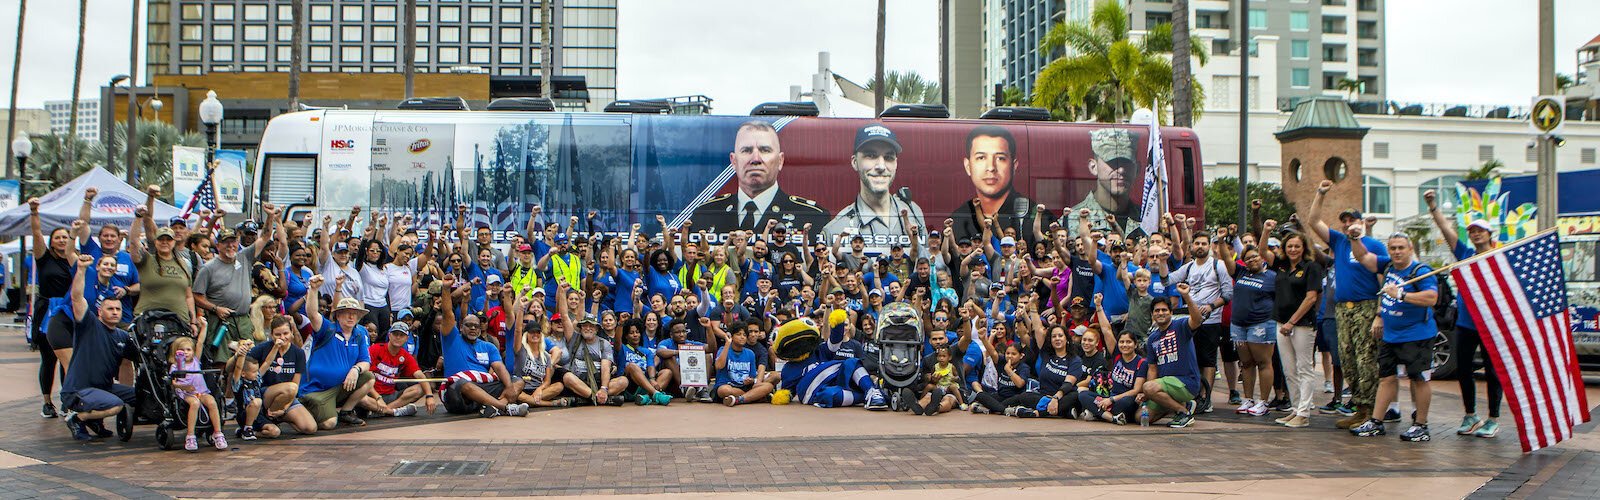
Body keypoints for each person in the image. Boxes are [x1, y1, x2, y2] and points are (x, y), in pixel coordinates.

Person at [1307, 179, 1390, 429]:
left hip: (1366, 307)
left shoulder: (1374, 245)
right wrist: (1320, 193)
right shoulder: (1339, 242)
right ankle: (1359, 407)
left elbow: (1383, 280)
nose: (1346, 224)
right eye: (1343, 220)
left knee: (1366, 360)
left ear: (1361, 222)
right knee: (1347, 359)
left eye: (1351, 220)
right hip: (1343, 310)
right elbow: (1313, 221)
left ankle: (1372, 412)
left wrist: (1379, 313)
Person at [1424, 189, 1503, 438]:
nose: (1476, 234)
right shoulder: (1466, 255)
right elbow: (1447, 232)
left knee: (1493, 371)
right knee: (1464, 369)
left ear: (1490, 234)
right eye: (1472, 231)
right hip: (1467, 323)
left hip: (1491, 324)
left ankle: (1493, 418)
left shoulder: (1500, 256)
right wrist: (1433, 206)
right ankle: (1471, 415)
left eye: (1480, 230)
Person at [1349, 234, 1438, 442]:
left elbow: (1432, 298)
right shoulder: (1388, 266)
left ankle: (1421, 425)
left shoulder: (1421, 271)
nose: (1396, 252)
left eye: (1400, 248)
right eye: (1392, 248)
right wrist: (1353, 238)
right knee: (1386, 378)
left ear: (1410, 248)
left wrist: (1402, 295)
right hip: (1391, 335)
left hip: (1417, 335)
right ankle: (1376, 422)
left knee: (1419, 378)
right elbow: (1363, 256)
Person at [693, 120, 829, 240]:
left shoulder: (812, 216)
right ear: (734, 161)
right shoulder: (705, 213)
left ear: (780, 161)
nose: (756, 159)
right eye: (746, 150)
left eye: (765, 150)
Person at [59, 254, 138, 441]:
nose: (115, 312)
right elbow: (77, 298)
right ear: (100, 311)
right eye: (110, 309)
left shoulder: (122, 335)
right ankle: (77, 418)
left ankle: (95, 420)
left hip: (103, 388)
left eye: (118, 309)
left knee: (141, 395)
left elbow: (138, 357)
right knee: (116, 405)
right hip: (78, 390)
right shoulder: (89, 324)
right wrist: (81, 270)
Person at [822, 123, 927, 252]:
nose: (881, 166)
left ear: (896, 164)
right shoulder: (836, 229)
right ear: (855, 162)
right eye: (871, 156)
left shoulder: (914, 213)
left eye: (888, 157)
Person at [194, 204, 279, 362]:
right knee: (222, 361)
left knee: (248, 360)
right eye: (226, 242)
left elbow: (266, 236)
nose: (230, 245)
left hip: (244, 320)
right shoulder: (208, 268)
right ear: (218, 245)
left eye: (233, 241)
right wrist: (215, 308)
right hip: (220, 322)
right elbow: (196, 296)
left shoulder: (244, 256)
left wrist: (270, 216)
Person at [436, 275, 530, 418]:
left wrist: (510, 387)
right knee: (464, 383)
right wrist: (446, 288)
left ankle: (492, 408)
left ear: (480, 329)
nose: (473, 328)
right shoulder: (452, 339)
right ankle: (504, 407)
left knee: (517, 381)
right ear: (461, 327)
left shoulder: (489, 346)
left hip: (483, 389)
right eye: (469, 325)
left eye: (476, 326)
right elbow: (448, 313)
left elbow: (499, 367)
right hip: (458, 395)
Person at [1163, 230, 1234, 413]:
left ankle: (1206, 397)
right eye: (1197, 244)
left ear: (1210, 246)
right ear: (1192, 246)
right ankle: (1195, 394)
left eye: (1204, 243)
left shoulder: (1218, 266)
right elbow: (1167, 280)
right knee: (1192, 358)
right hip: (1190, 319)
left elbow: (1227, 294)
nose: (1200, 247)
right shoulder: (1188, 267)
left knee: (1208, 360)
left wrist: (1211, 306)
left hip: (1211, 321)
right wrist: (1163, 261)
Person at [298, 279, 377, 430]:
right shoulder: (328, 328)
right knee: (329, 424)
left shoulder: (360, 333)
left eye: (355, 314)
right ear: (338, 315)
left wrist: (356, 370)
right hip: (316, 390)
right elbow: (312, 314)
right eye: (347, 313)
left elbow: (365, 361)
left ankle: (346, 411)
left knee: (368, 377)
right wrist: (313, 290)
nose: (351, 317)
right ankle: (306, 410)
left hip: (339, 387)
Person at [949, 125, 1042, 249]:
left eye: (1000, 158)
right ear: (968, 165)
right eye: (981, 157)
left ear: (1014, 165)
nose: (991, 167)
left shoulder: (1032, 213)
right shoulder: (957, 219)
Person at [28, 198, 77, 419]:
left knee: (68, 356)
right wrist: (34, 211)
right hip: (48, 309)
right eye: (57, 237)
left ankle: (67, 399)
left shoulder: (73, 259)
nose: (61, 240)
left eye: (64, 237)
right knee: (49, 358)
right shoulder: (44, 257)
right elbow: (36, 232)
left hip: (69, 310)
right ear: (51, 241)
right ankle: (47, 402)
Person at [1272, 233, 1325, 428]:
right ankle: (1295, 408)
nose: (1293, 250)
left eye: (1297, 246)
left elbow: (1311, 298)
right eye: (1289, 246)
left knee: (1304, 368)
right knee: (1289, 369)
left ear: (1304, 248)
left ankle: (1304, 412)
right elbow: (1262, 252)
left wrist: (1292, 322)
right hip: (1281, 322)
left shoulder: (1312, 268)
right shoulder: (1282, 267)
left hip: (1302, 325)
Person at [1061, 128, 1142, 238]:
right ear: (1094, 167)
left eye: (1126, 163)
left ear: (1137, 169)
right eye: (1113, 163)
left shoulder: (1146, 220)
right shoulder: (1072, 221)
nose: (1121, 170)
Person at [1140, 288, 1203, 428]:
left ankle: (1183, 412)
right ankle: (1181, 405)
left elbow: (1197, 320)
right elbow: (1152, 368)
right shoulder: (1152, 339)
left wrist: (1186, 296)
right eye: (1157, 311)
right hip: (1164, 386)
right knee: (1142, 417)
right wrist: (1149, 392)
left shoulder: (1180, 326)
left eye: (1164, 310)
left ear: (1171, 312)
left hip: (1186, 383)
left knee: (1149, 387)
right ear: (1152, 315)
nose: (1160, 313)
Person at [1229, 246, 1276, 417]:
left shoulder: (1272, 276)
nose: (1252, 260)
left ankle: (1263, 402)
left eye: (1255, 256)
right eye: (1247, 258)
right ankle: (1248, 399)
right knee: (1246, 363)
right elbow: (1228, 261)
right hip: (1239, 325)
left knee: (1263, 362)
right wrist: (1220, 240)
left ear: (1262, 257)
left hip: (1261, 324)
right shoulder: (1241, 273)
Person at [362, 322, 436, 418]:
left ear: (406, 338)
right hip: (372, 394)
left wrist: (429, 396)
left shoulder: (405, 355)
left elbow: (420, 376)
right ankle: (394, 412)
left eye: (401, 335)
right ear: (389, 335)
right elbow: (366, 378)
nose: (398, 337)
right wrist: (377, 397)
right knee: (360, 398)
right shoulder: (375, 349)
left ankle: (384, 410)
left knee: (421, 388)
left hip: (391, 396)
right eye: (395, 334)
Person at [168, 333, 226, 451]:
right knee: (195, 403)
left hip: (201, 391)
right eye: (182, 350)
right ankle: (190, 435)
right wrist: (185, 387)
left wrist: (204, 327)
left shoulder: (195, 361)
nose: (186, 352)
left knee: (212, 402)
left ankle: (218, 432)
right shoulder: (175, 366)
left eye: (188, 350)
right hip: (186, 393)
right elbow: (174, 384)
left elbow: (199, 343)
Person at [1077, 331, 1148, 424]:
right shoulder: (1117, 356)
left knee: (1126, 401)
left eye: (1128, 342)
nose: (1125, 345)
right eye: (1122, 342)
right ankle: (1111, 418)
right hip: (1109, 398)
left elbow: (1136, 390)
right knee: (1083, 395)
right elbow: (1106, 330)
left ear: (1135, 345)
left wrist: (1111, 400)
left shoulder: (1142, 363)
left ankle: (1098, 413)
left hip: (1124, 400)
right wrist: (1108, 400)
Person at [714, 321, 774, 406]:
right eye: (738, 334)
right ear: (731, 336)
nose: (742, 337)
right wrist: (727, 343)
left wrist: (750, 380)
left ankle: (739, 399)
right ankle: (753, 397)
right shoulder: (723, 349)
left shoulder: (750, 353)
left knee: (768, 386)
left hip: (745, 387)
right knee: (724, 390)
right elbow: (718, 366)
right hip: (728, 385)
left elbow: (752, 377)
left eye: (744, 335)